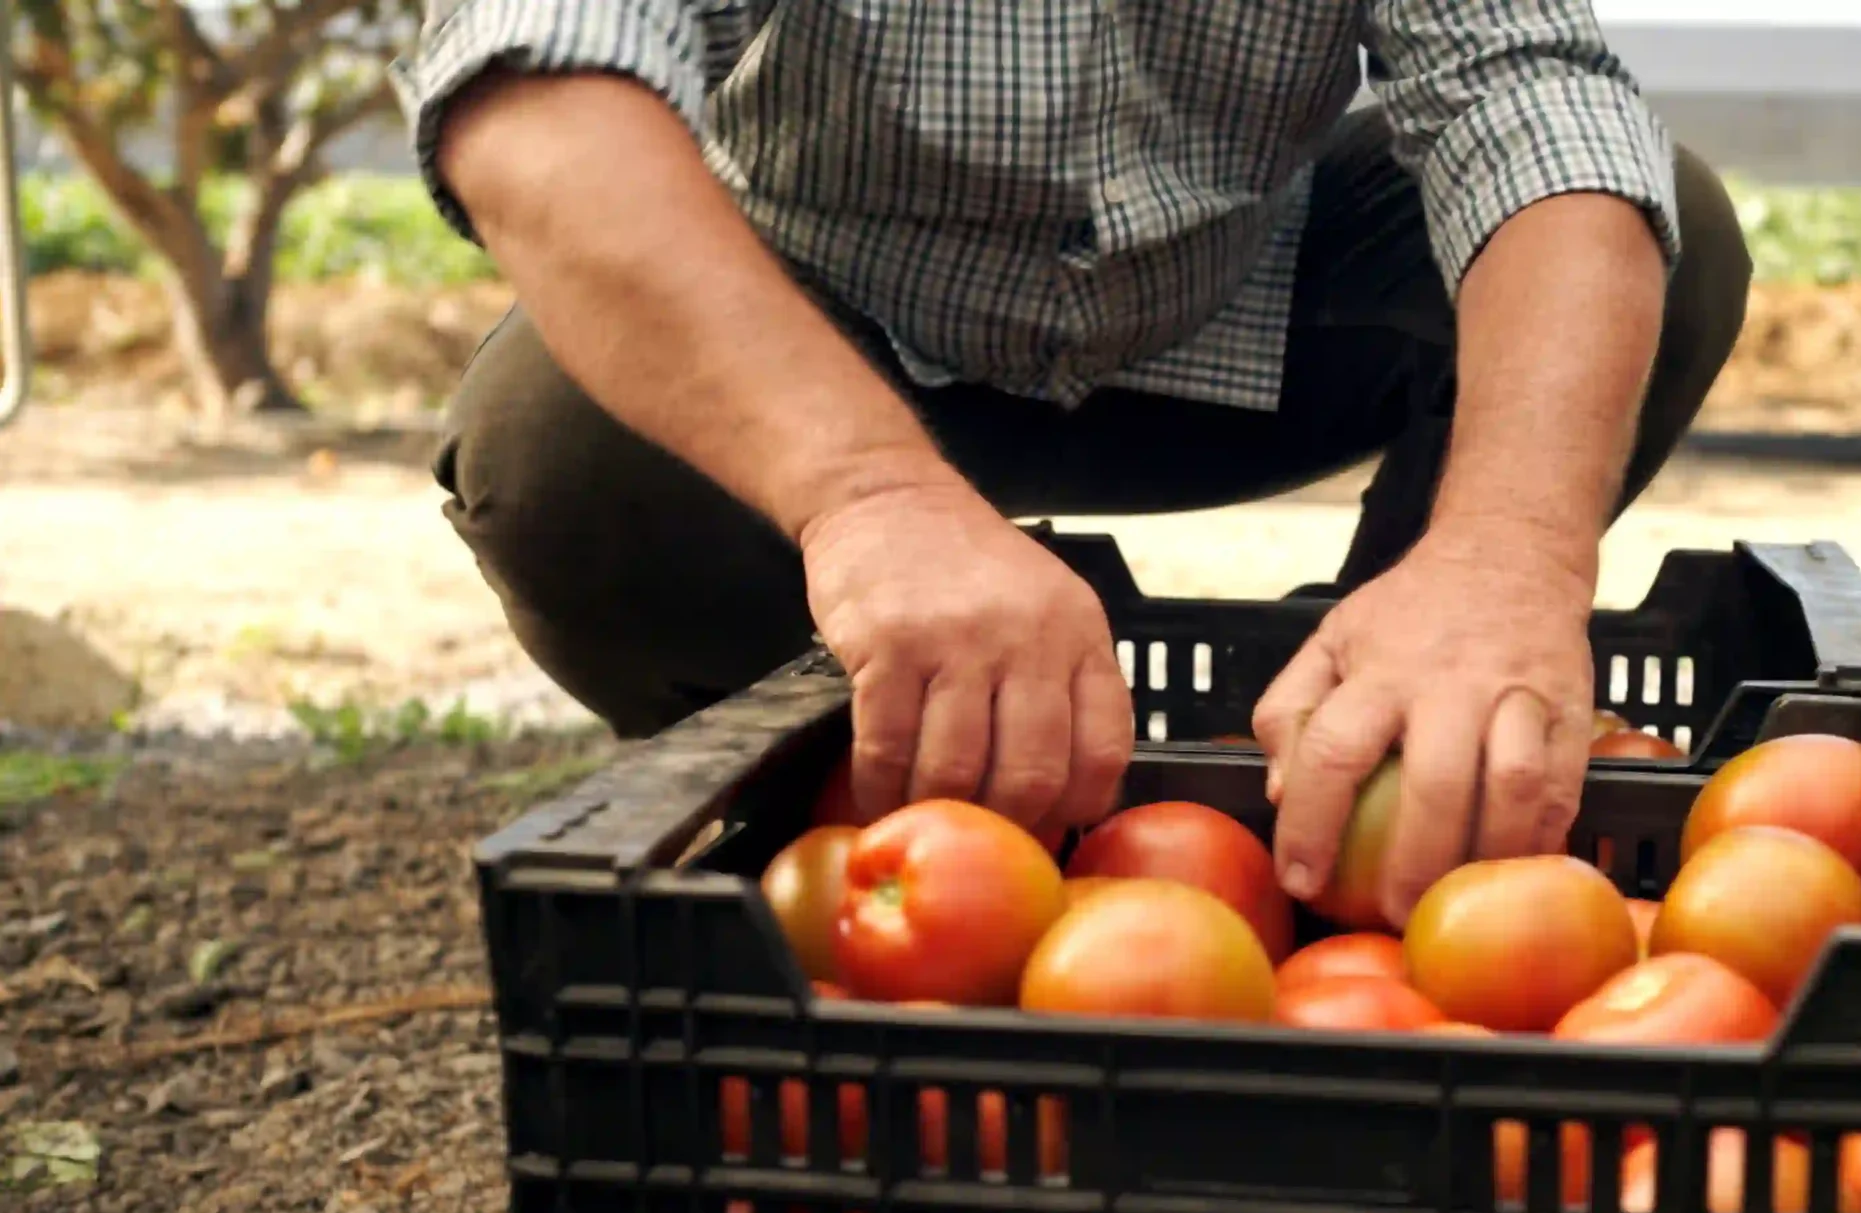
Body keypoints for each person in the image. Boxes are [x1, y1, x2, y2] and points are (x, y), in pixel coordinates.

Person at [392, 0, 1752, 928]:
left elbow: (1532, 100)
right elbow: (535, 96)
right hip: (817, 327)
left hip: (1244, 294)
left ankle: (1367, 755)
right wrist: (867, 498)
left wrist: (1506, 557)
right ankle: (818, 802)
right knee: (558, 460)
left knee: (1654, 228)